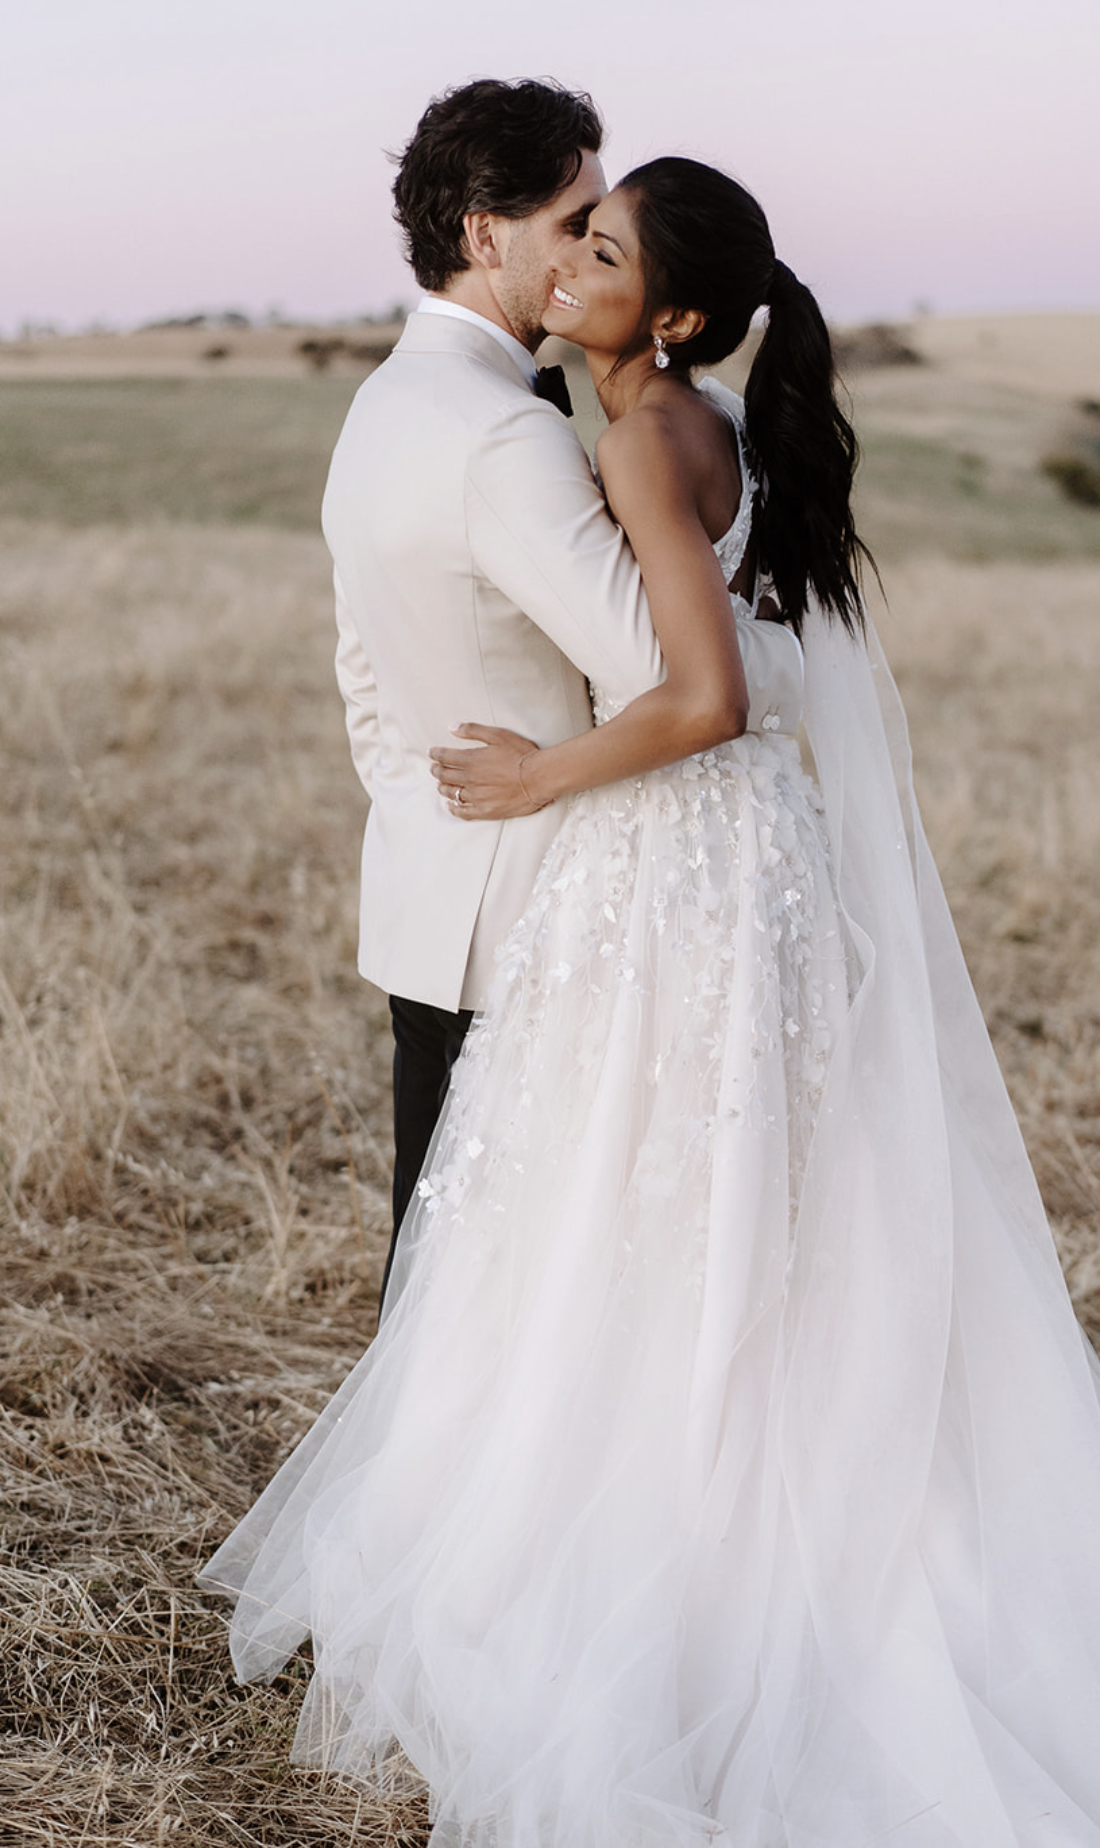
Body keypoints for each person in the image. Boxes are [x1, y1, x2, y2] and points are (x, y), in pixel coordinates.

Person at [201, 157, 1100, 1848]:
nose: (575, 268)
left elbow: (704, 696)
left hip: (676, 863)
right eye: (573, 234)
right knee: (736, 1214)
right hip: (736, 867)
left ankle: (673, 1575)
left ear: (669, 314)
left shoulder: (629, 438)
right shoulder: (696, 424)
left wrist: (537, 775)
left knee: (633, 1219)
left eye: (605, 250)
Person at [323, 79, 802, 1301]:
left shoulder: (377, 408)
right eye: (575, 219)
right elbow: (668, 676)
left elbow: (363, 677)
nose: (594, 243)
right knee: (521, 1296)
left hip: (431, 895)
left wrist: (431, 812)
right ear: (485, 235)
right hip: (544, 923)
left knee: (440, 1292)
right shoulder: (506, 434)